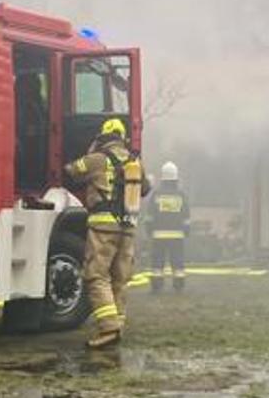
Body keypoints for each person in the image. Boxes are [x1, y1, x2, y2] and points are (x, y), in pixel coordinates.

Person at [64, 117, 149, 349]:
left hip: (103, 227)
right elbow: (145, 188)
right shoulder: (134, 162)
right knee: (120, 278)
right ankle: (117, 324)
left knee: (96, 276)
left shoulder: (98, 159)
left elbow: (71, 170)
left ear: (103, 137)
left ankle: (109, 328)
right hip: (127, 227)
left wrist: (91, 149)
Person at [145, 161, 190, 293]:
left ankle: (157, 285)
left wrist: (149, 230)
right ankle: (178, 284)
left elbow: (150, 215)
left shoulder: (156, 194)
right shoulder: (181, 195)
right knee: (177, 261)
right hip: (177, 235)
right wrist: (186, 231)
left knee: (158, 261)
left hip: (158, 235)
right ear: (176, 177)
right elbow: (186, 215)